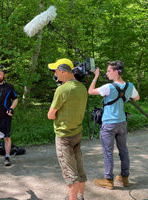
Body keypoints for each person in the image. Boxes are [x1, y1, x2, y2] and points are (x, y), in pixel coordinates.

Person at [88, 60, 140, 190]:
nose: (107, 73)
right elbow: (137, 98)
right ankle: (124, 177)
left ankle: (108, 180)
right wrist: (126, 97)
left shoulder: (108, 87)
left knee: (108, 153)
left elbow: (90, 91)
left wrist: (95, 76)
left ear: (116, 72)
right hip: (122, 123)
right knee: (124, 150)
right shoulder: (130, 86)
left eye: (109, 71)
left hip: (109, 124)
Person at [47, 58, 88, 200]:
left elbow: (50, 115)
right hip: (77, 133)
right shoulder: (82, 88)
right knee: (79, 168)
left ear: (64, 72)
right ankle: (80, 196)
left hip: (64, 137)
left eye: (56, 71)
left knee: (70, 174)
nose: (55, 73)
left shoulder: (62, 90)